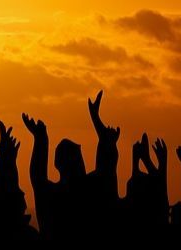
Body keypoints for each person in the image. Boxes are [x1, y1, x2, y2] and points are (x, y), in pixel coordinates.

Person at [22, 90, 121, 242]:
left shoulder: (57, 193)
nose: (80, 162)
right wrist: (41, 138)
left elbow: (37, 177)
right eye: (77, 157)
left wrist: (41, 138)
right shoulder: (89, 189)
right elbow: (107, 166)